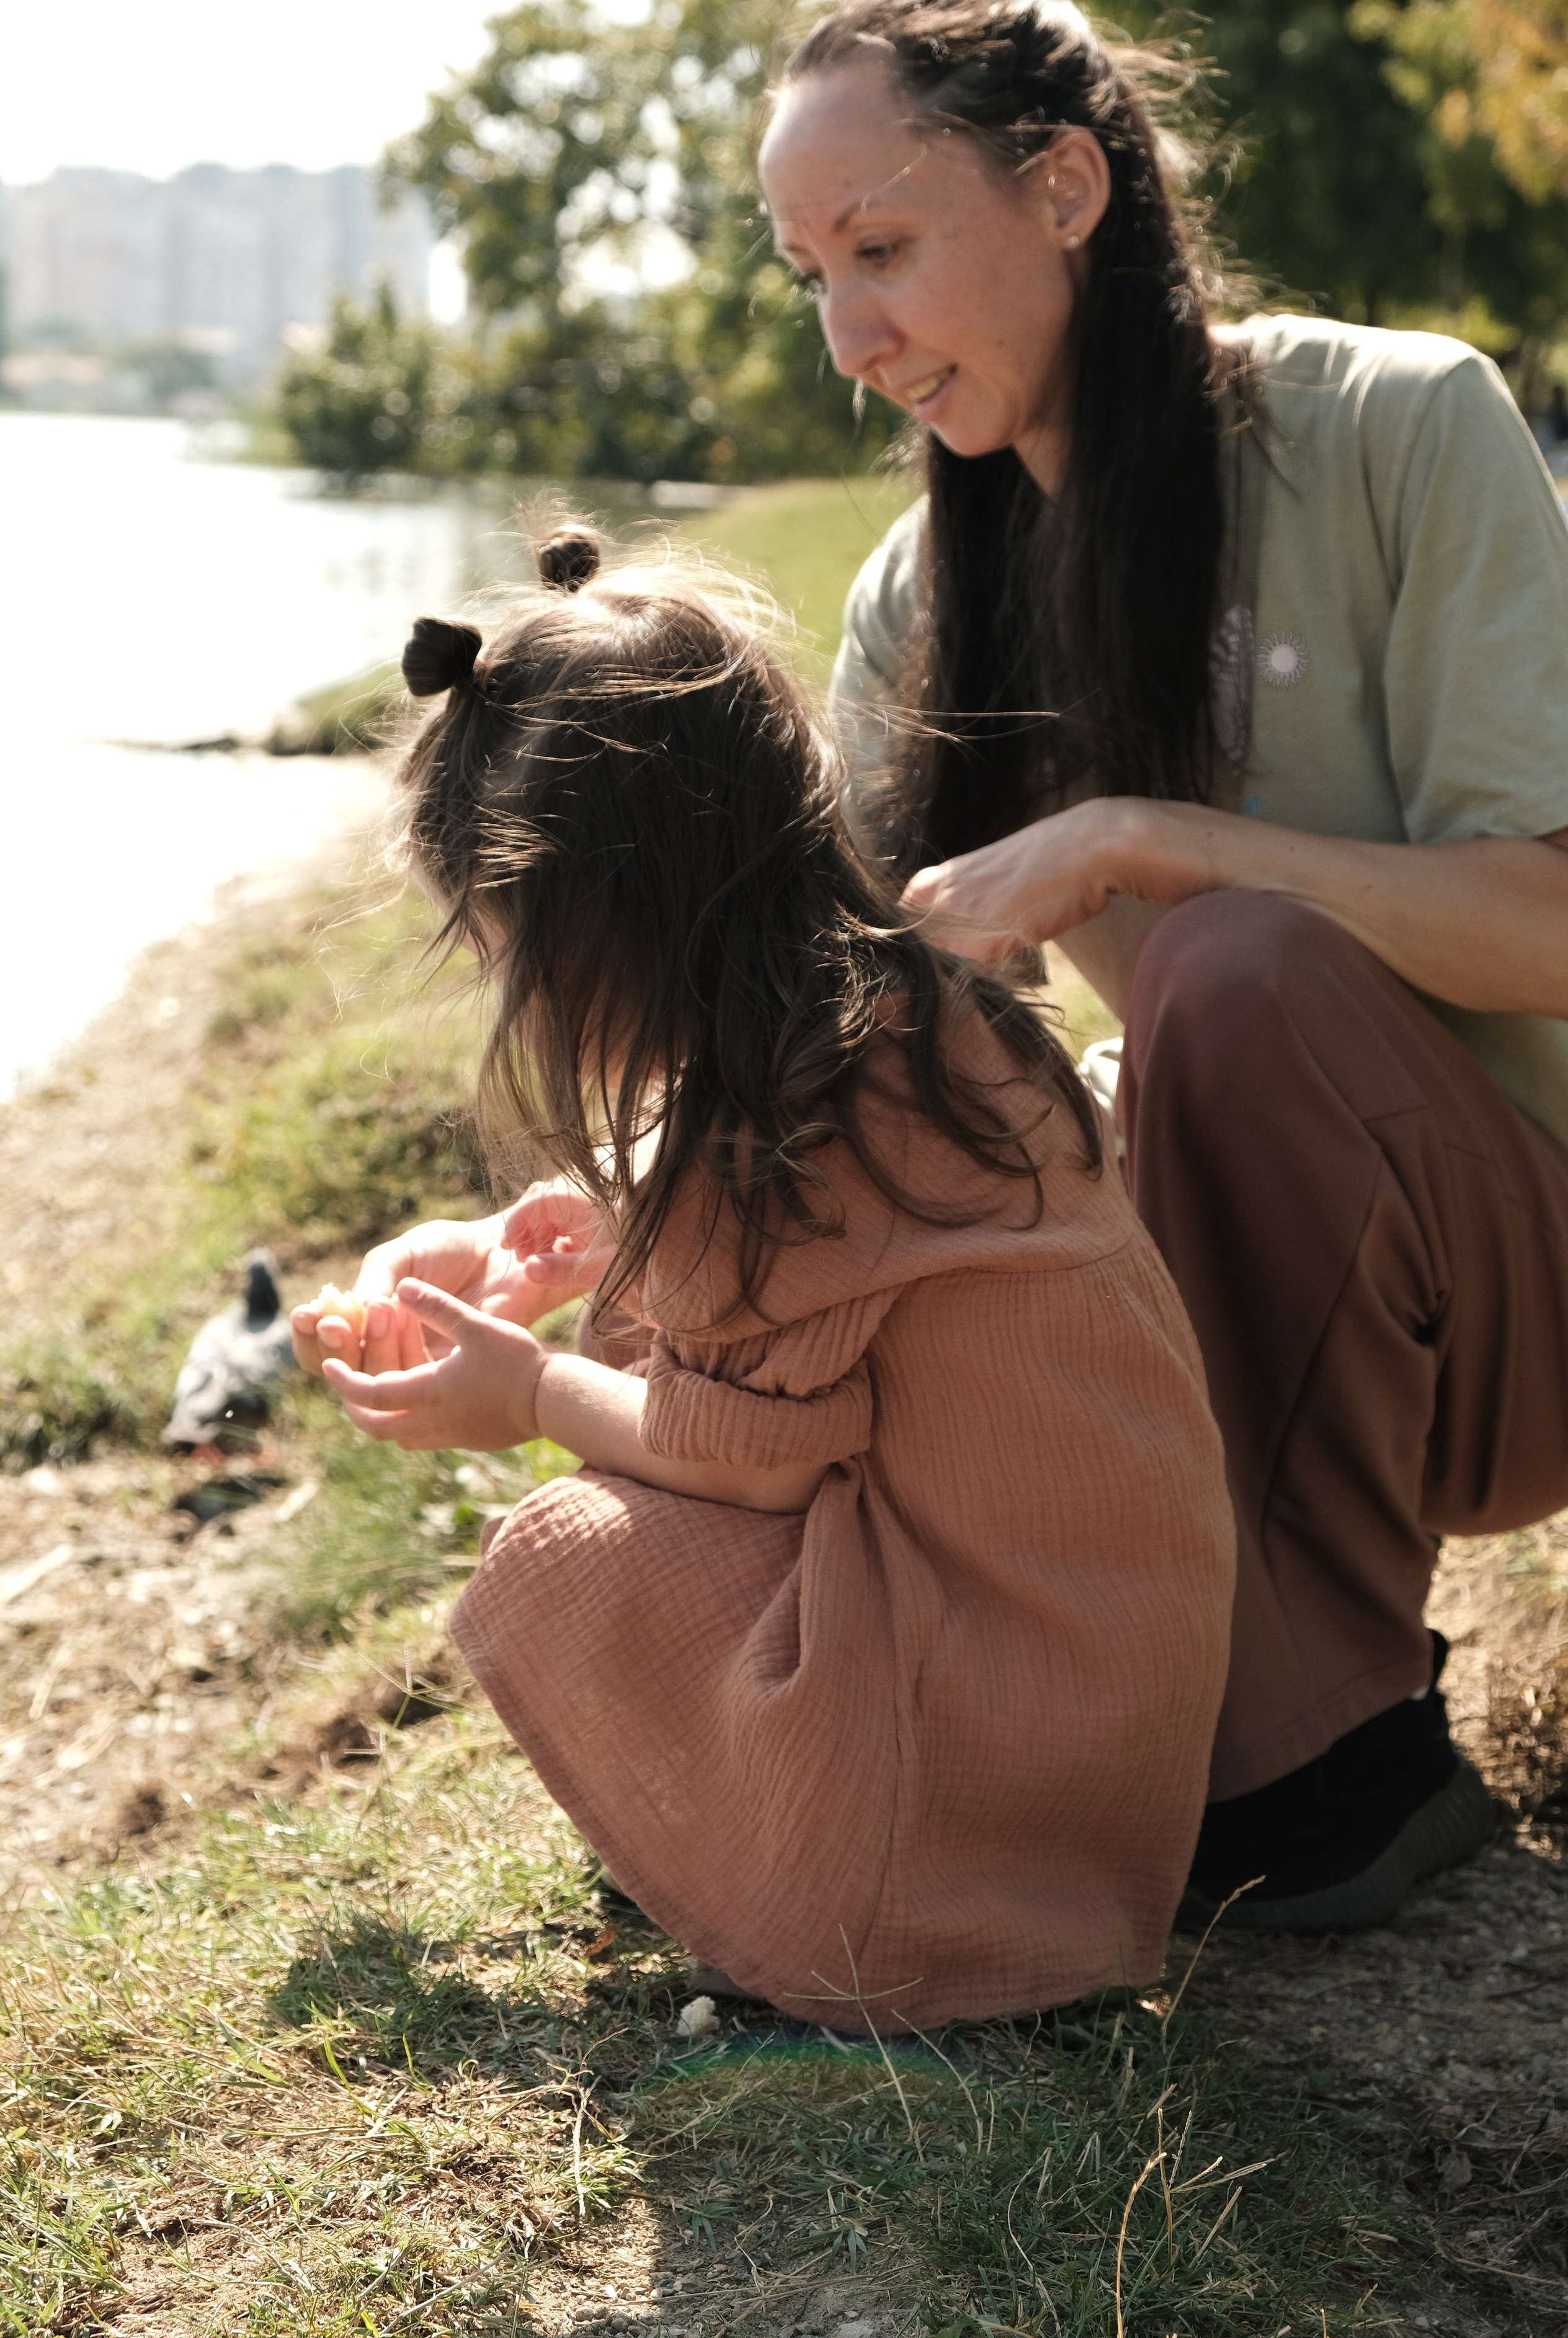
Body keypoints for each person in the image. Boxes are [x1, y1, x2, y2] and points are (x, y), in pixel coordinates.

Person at [757, 0, 1568, 1933]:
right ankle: (946, 1715)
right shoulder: (915, 598)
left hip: (1528, 1299)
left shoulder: (1401, 424)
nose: (854, 337)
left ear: (1063, 187)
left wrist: (1147, 840)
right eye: (812, 277)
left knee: (1232, 967)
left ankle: (1339, 1764)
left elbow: (1548, 927)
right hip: (1229, 1314)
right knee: (905, 1106)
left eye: (884, 247)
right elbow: (862, 1035)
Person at [292, 527, 1236, 2032]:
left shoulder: (763, 1135)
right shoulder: (918, 1015)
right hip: (1090, 1719)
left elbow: (740, 1469)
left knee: (561, 1550)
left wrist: (523, 1388)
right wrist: (567, 1231)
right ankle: (812, 1847)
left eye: (501, 951)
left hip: (964, 1798)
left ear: (605, 930)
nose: (504, 990)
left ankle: (822, 1894)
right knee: (640, 1336)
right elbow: (849, 1270)